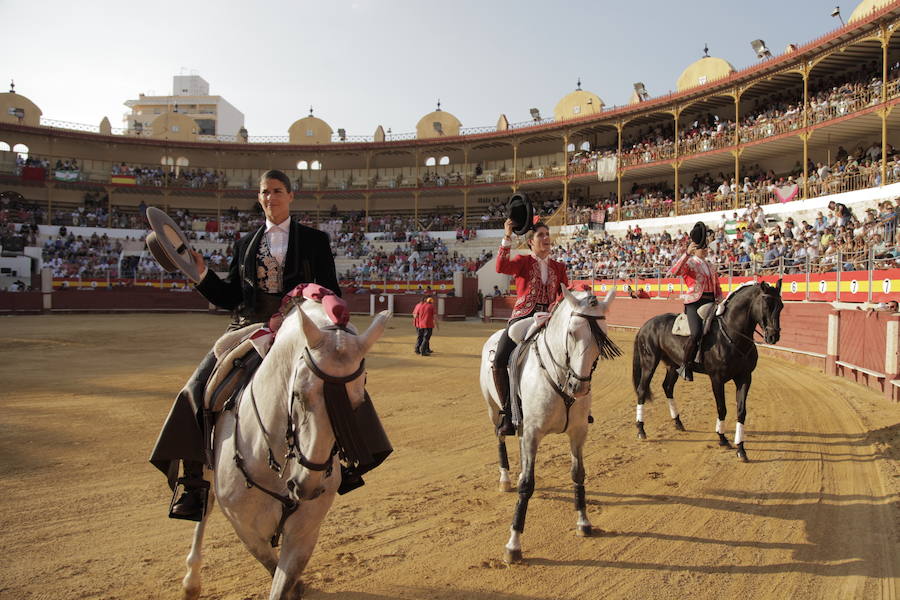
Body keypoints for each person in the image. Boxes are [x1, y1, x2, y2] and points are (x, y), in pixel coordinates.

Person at [150, 169, 341, 520]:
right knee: (195, 390)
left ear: (291, 196)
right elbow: (231, 296)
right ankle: (193, 484)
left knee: (343, 383)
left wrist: (296, 315)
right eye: (265, 192)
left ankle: (351, 459)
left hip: (296, 331)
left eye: (278, 191)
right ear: (259, 197)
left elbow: (330, 290)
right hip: (249, 327)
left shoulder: (315, 241)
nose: (271, 197)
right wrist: (202, 275)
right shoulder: (245, 244)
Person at [492, 217, 569, 435]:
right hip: (523, 318)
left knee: (575, 348)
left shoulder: (559, 267)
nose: (546, 238)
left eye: (547, 234)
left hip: (550, 319)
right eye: (540, 235)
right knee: (499, 360)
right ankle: (507, 413)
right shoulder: (522, 262)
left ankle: (576, 405)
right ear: (530, 243)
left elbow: (564, 293)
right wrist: (507, 236)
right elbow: (501, 266)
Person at [669, 222, 724, 382]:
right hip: (694, 303)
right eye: (703, 248)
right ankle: (685, 365)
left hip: (711, 302)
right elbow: (675, 271)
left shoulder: (710, 265)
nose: (706, 250)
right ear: (696, 249)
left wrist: (721, 300)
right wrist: (686, 253)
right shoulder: (690, 262)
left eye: (706, 248)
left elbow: (717, 285)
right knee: (696, 333)